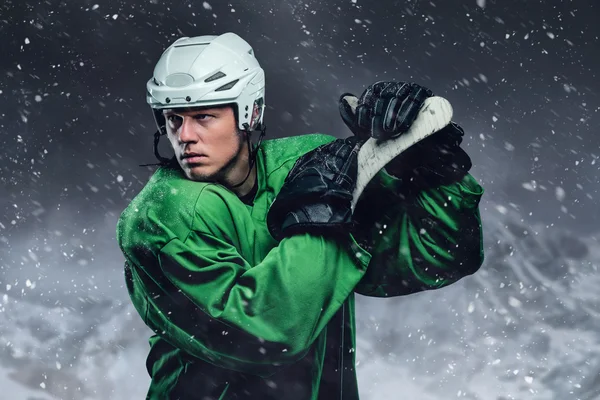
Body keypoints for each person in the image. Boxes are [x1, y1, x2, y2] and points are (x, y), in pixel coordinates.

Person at [116, 32, 485, 400]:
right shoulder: (160, 216)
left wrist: (430, 169)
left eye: (204, 117)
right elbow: (267, 336)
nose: (185, 136)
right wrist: (323, 221)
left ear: (251, 111)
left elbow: (440, 256)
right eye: (174, 119)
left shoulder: (312, 165)